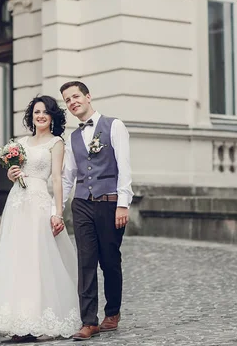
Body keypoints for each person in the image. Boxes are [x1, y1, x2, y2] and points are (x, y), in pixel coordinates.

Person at [0, 95, 81, 342]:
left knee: (38, 258)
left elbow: (57, 180)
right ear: (31, 116)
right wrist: (12, 173)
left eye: (45, 112)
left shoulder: (56, 143)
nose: (40, 116)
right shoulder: (20, 143)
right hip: (17, 203)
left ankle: (39, 319)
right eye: (36, 112)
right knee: (16, 258)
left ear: (52, 117)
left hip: (39, 202)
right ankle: (17, 321)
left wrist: (57, 212)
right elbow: (15, 173)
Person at [53, 81, 134, 341]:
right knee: (85, 262)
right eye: (67, 100)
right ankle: (89, 321)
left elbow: (125, 166)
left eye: (75, 96)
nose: (72, 101)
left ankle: (113, 312)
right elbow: (69, 177)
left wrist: (123, 203)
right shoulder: (73, 137)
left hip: (110, 203)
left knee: (109, 260)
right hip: (82, 204)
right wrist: (57, 208)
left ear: (88, 97)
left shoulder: (114, 126)